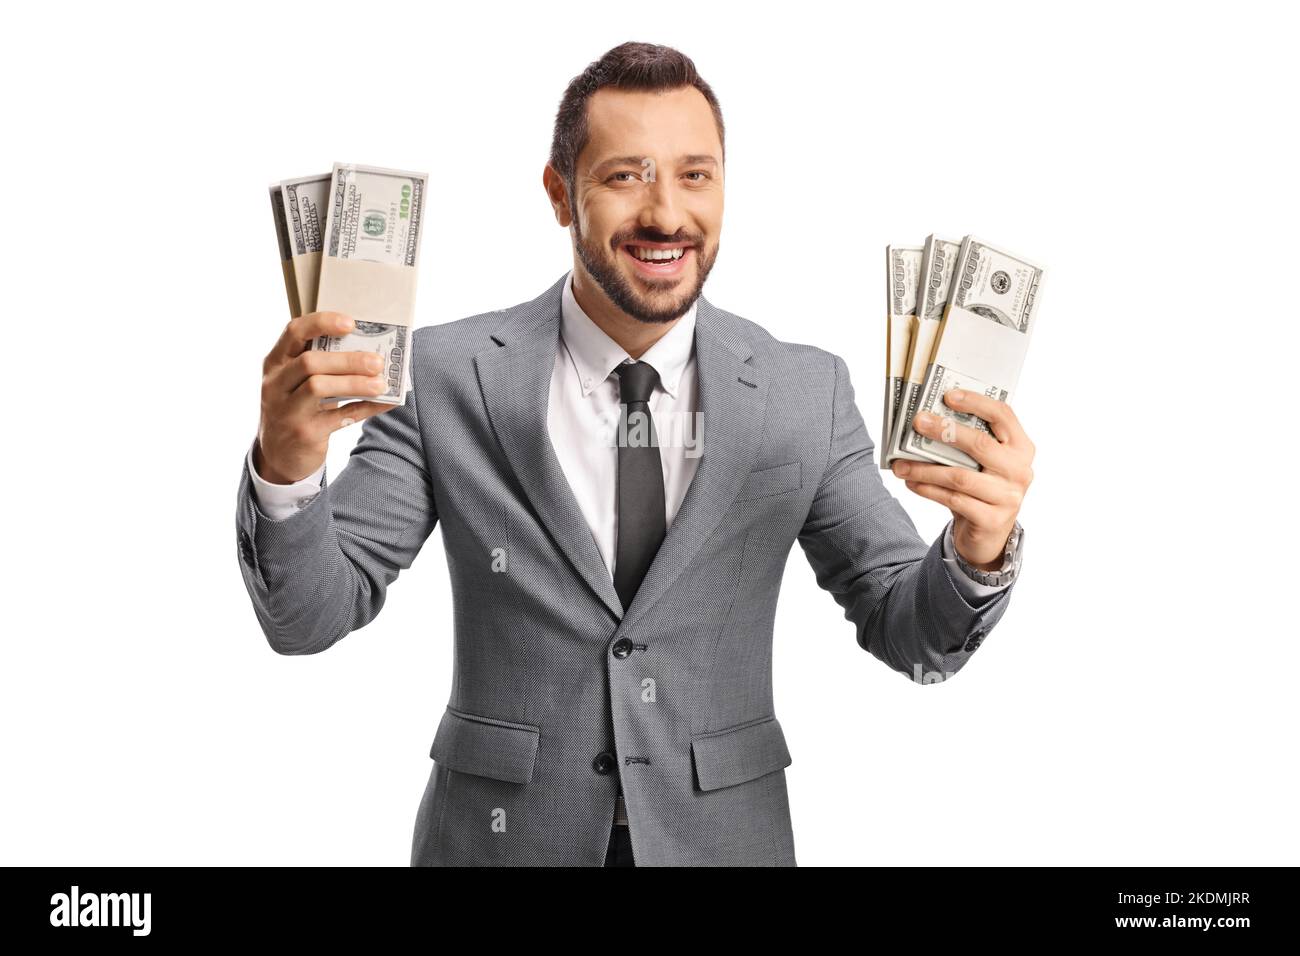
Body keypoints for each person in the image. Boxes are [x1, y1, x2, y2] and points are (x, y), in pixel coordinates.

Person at [235, 41, 1035, 867]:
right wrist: (287, 470)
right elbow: (309, 619)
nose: (665, 214)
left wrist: (978, 551)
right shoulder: (445, 377)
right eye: (625, 175)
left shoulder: (806, 392)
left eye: (695, 175)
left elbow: (909, 630)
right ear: (559, 194)